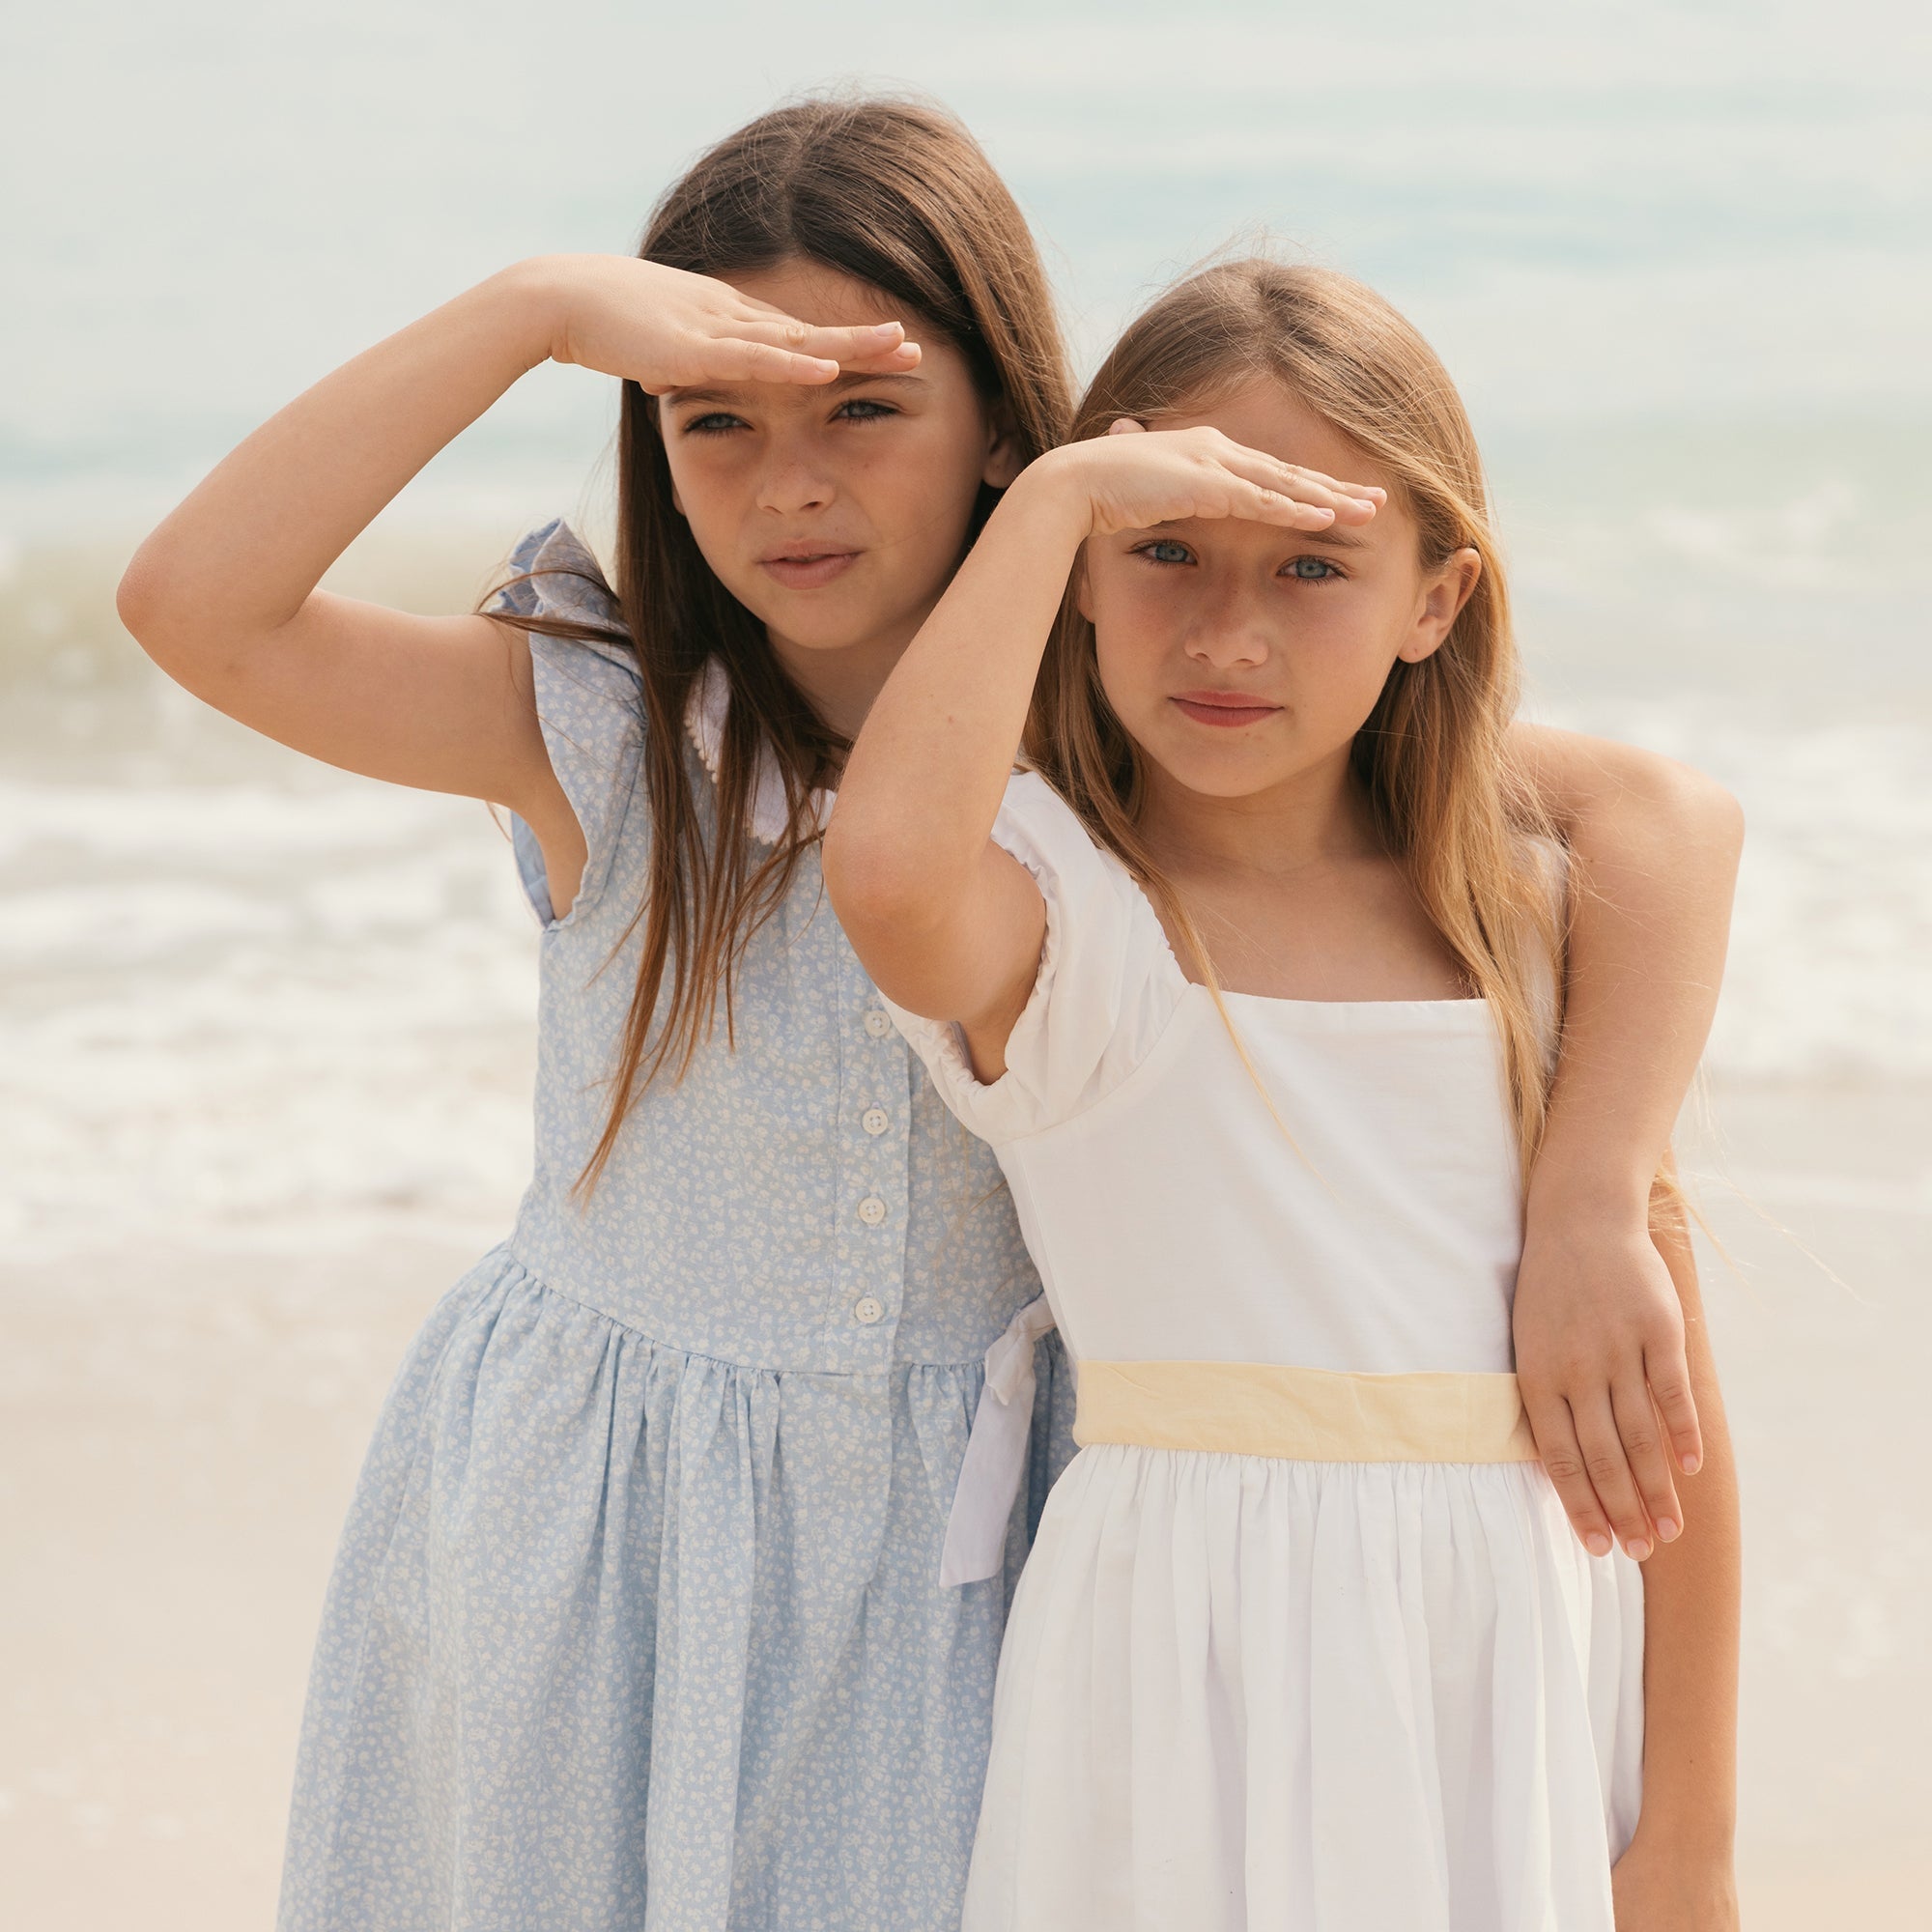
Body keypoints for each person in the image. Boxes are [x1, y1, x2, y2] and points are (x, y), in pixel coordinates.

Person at [116, 89, 1738, 1928]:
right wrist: (533, 312)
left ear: (1007, 438)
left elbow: (1652, 824)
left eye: (864, 410)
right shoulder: (608, 728)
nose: (790, 485)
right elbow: (197, 608)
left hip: (989, 1559)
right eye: (715, 420)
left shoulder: (1141, 733)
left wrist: (1593, 1190)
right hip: (603, 1528)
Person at [824, 258, 1742, 1929]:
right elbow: (884, 872)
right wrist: (1054, 501)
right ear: (1081, 572)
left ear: (1434, 604)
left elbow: (1661, 1434)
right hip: (1179, 1693)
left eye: (1314, 565)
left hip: (1516, 1690)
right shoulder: (1075, 923)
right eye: (1163, 550)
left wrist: (1688, 1842)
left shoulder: (1514, 928)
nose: (1227, 635)